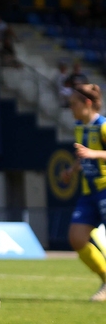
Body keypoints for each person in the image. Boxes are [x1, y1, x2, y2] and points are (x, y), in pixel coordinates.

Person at [59, 84, 106, 301]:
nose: (71, 108)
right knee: (76, 238)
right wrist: (72, 170)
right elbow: (83, 155)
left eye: (73, 104)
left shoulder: (103, 126)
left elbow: (92, 153)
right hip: (89, 194)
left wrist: (93, 154)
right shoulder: (80, 126)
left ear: (87, 103)